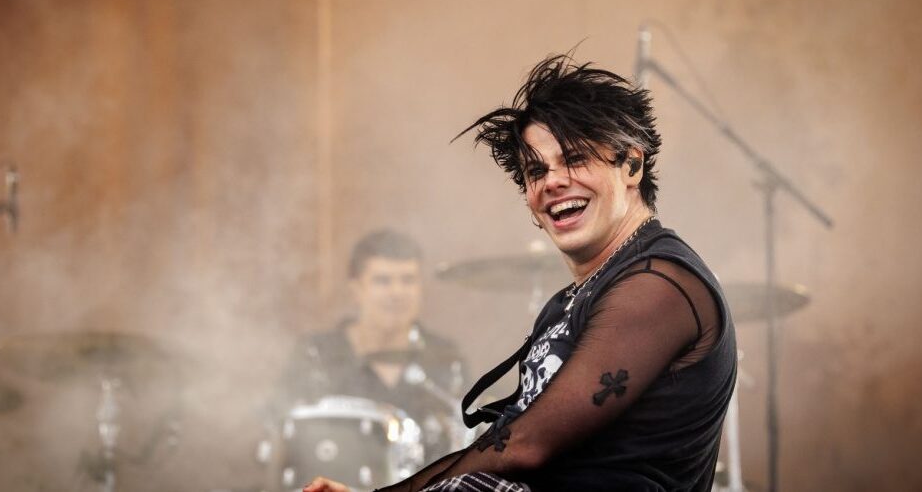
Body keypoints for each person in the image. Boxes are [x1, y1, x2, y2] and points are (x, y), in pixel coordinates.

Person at [304, 55, 737, 492]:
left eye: (575, 159)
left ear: (631, 166)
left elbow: (525, 446)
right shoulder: (571, 301)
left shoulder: (658, 286)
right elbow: (505, 440)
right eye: (536, 170)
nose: (552, 182)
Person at [271, 230, 468, 486]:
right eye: (382, 281)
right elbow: (279, 439)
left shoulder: (445, 357)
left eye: (408, 280)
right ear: (356, 289)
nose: (397, 292)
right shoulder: (315, 355)